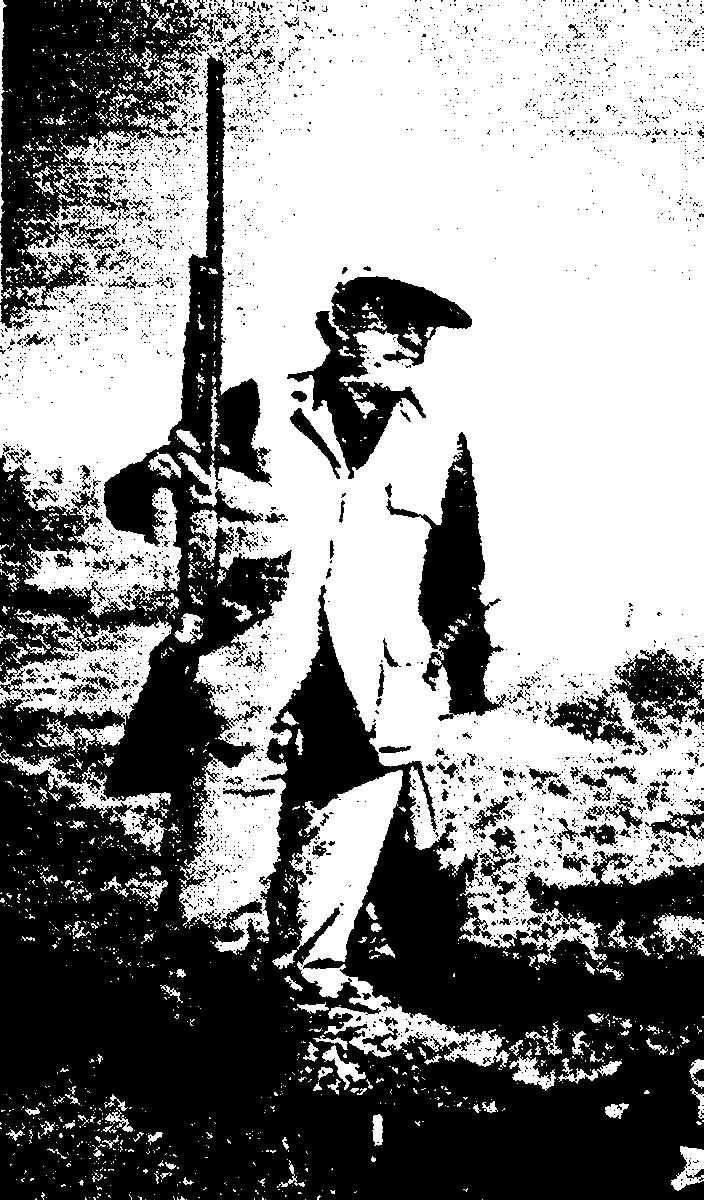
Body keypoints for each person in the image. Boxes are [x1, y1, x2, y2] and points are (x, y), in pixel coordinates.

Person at [105, 273, 490, 1006]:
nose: (413, 341)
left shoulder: (440, 439)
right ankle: (207, 1002)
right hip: (253, 671)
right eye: (389, 320)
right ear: (336, 325)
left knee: (328, 915)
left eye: (425, 329)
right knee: (216, 891)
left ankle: (314, 1001)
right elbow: (132, 496)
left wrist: (439, 676)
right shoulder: (254, 407)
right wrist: (163, 486)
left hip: (375, 687)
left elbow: (458, 575)